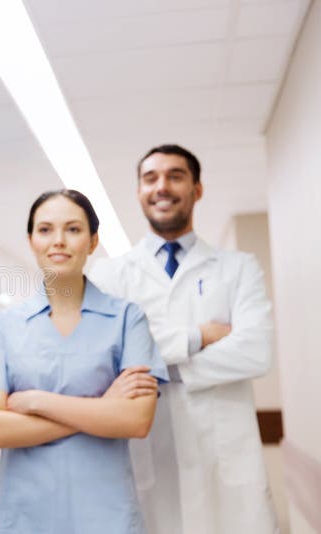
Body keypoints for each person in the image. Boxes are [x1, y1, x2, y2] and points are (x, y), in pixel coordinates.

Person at [90, 144, 278, 534]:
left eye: (175, 176)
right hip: (146, 459)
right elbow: (102, 358)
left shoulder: (238, 268)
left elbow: (255, 353)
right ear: (139, 191)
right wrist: (198, 337)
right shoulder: (110, 276)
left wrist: (155, 366)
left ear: (197, 189)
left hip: (225, 462)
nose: (162, 186)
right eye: (150, 178)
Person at [0, 189, 169, 534]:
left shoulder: (127, 319)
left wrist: (38, 402)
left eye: (74, 229)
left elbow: (137, 420)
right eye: (46, 229)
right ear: (31, 240)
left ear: (93, 241)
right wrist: (102, 408)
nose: (59, 241)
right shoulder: (3, 328)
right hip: (25, 515)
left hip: (106, 513)